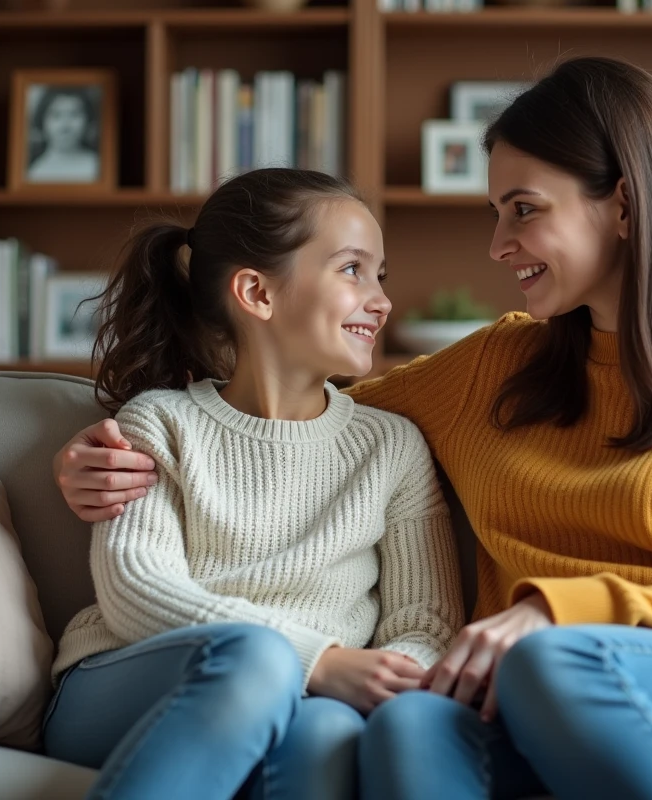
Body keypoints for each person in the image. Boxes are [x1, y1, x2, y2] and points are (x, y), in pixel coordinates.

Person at [52, 56, 652, 800]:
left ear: (622, 203)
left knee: (551, 662)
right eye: (494, 212)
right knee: (411, 723)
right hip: (529, 692)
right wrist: (103, 452)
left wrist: (555, 611)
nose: (498, 244)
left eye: (524, 210)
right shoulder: (493, 367)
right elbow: (301, 414)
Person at [41, 168, 463, 800]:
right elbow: (137, 590)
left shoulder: (392, 446)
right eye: (352, 269)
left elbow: (425, 621)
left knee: (324, 734)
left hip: (313, 698)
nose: (380, 300)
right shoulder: (160, 422)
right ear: (257, 293)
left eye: (381, 275)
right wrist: (314, 660)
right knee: (256, 659)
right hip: (127, 681)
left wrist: (387, 676)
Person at [26, 86, 100, 183]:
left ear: (88, 120)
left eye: (74, 114)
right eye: (56, 115)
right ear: (42, 121)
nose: (65, 126)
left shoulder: (98, 165)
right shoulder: (34, 172)